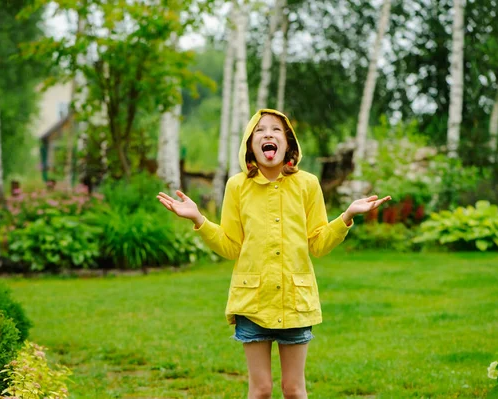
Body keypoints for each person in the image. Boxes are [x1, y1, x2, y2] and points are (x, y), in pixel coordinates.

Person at [157, 109, 391, 399]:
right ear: (250, 145)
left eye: (276, 130)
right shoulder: (237, 186)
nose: (268, 134)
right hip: (253, 301)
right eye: (260, 130)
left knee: (293, 390)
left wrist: (346, 216)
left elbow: (318, 244)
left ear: (289, 144)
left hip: (295, 302)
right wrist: (199, 220)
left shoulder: (307, 184)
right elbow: (230, 245)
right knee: (261, 390)